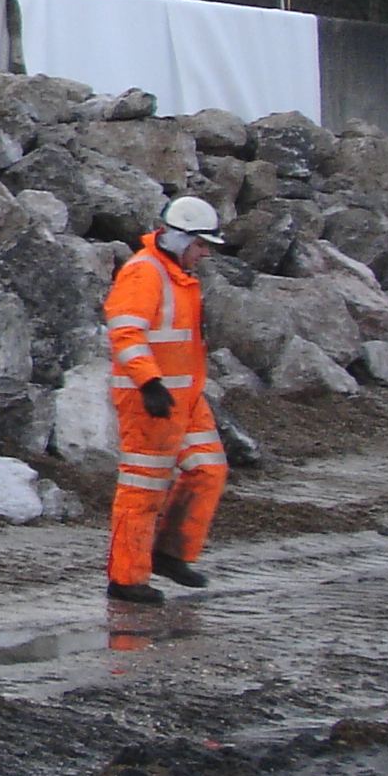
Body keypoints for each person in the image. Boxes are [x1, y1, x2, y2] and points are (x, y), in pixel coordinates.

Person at [102, 193, 232, 605]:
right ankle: (126, 579)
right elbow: (125, 331)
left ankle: (170, 554)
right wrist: (149, 384)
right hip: (150, 401)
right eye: (200, 245)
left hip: (186, 399)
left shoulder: (176, 275)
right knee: (143, 489)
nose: (205, 254)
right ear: (179, 240)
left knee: (208, 470)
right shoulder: (144, 273)